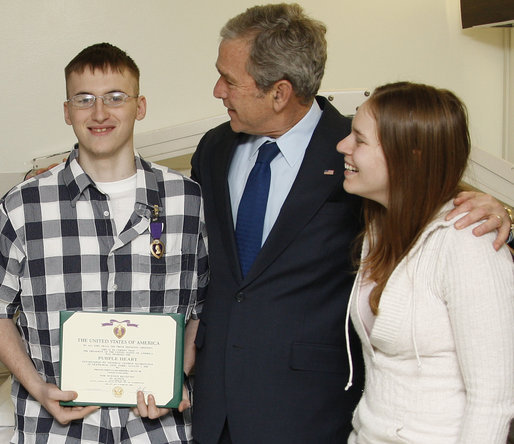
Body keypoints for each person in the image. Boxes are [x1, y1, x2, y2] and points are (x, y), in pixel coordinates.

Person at [190, 4, 511, 443]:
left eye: (229, 79)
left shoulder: (359, 157)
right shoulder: (214, 148)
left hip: (309, 411)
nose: (217, 90)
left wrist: (498, 209)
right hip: (216, 406)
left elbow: (425, 194)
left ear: (279, 93)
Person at [0, 43, 208, 443]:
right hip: (56, 431)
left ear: (140, 106)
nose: (99, 113)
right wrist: (39, 389)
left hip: (159, 429)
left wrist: (175, 375)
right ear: (66, 111)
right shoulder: (22, 206)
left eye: (115, 97)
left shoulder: (188, 200)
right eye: (84, 100)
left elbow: (204, 308)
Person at [337, 81, 513, 443]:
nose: (342, 146)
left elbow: (493, 404)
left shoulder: (467, 242)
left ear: (411, 155)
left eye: (359, 139)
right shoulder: (378, 227)